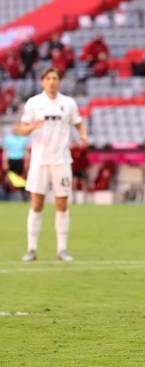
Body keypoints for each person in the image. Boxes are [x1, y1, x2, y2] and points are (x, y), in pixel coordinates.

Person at [18, 67, 88, 262]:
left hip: (61, 160)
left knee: (62, 204)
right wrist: (30, 127)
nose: (51, 82)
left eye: (55, 78)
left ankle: (62, 250)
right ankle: (31, 249)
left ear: (59, 81)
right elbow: (22, 128)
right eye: (48, 78)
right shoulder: (34, 103)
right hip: (39, 161)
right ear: (42, 82)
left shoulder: (68, 103)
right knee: (37, 203)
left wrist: (83, 135)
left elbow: (78, 122)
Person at [2, 122, 29, 200]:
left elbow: (26, 151)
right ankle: (6, 196)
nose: (15, 129)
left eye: (17, 127)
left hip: (20, 160)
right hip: (11, 160)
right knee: (8, 179)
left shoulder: (24, 138)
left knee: (21, 179)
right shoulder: (7, 139)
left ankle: (23, 196)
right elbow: (5, 151)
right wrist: (5, 162)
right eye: (14, 127)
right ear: (11, 129)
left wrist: (27, 162)